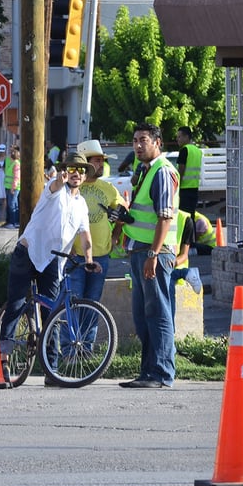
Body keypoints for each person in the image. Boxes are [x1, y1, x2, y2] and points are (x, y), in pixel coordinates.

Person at [0, 152, 101, 384]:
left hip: (53, 261)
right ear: (65, 171)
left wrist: (88, 259)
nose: (76, 174)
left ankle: (51, 370)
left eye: (81, 171)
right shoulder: (53, 189)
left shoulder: (81, 204)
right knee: (15, 304)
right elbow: (55, 186)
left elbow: (85, 235)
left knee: (52, 315)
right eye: (72, 169)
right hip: (29, 252)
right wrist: (59, 180)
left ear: (85, 177)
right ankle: (3, 359)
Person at [118, 122, 179, 389]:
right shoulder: (144, 171)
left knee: (158, 313)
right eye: (135, 140)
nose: (138, 145)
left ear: (158, 143)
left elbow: (165, 218)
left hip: (154, 253)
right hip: (140, 250)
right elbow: (145, 213)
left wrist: (154, 253)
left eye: (144, 140)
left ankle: (162, 373)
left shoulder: (162, 172)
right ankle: (148, 372)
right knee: (144, 316)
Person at [69, 140, 126, 304]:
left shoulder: (108, 188)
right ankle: (71, 331)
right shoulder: (72, 186)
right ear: (85, 163)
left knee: (93, 304)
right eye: (97, 160)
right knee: (73, 304)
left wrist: (116, 234)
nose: (102, 164)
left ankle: (88, 332)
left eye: (103, 160)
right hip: (74, 256)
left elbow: (123, 213)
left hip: (101, 255)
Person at [169, 209, 203, 318]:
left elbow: (184, 255)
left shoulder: (184, 219)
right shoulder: (149, 218)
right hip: (159, 267)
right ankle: (185, 272)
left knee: (166, 305)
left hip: (173, 268)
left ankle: (184, 272)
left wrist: (168, 264)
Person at [176, 126, 202, 220]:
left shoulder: (184, 150)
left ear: (186, 137)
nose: (177, 139)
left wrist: (176, 186)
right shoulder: (197, 151)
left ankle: (186, 235)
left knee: (184, 218)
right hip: (194, 188)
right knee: (191, 216)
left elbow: (181, 170)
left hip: (184, 189)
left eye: (179, 137)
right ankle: (193, 235)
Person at [4, 145, 21, 228]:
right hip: (9, 186)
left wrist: (12, 188)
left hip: (13, 188)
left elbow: (16, 177)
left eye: (13, 152)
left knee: (12, 205)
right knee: (14, 204)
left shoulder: (16, 163)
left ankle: (13, 222)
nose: (11, 153)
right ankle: (15, 222)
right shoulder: (13, 162)